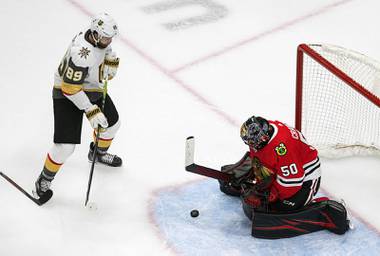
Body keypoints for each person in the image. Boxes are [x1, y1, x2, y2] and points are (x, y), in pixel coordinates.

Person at [33, 13, 122, 202]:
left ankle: (97, 153)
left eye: (110, 38)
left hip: (90, 86)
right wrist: (90, 110)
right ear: (95, 34)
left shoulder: (97, 39)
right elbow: (70, 88)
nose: (108, 41)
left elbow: (103, 51)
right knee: (65, 147)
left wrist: (109, 61)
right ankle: (44, 179)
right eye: (105, 38)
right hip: (66, 91)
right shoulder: (82, 53)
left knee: (112, 125)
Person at [219, 115, 321, 212]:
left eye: (252, 142)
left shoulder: (282, 148)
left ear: (263, 137)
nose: (251, 145)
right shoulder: (265, 130)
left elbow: (293, 182)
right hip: (281, 168)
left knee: (277, 208)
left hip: (305, 178)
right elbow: (259, 157)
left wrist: (270, 195)